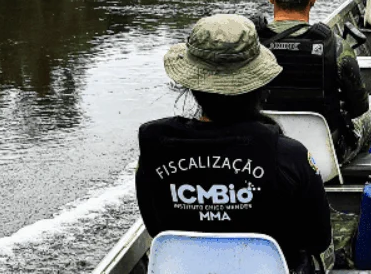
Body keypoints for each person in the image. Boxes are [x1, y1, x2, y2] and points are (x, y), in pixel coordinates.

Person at [136, 14, 332, 272]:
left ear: (194, 87)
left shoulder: (154, 148)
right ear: (259, 85)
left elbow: (155, 226)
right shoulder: (289, 155)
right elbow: (318, 239)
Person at [257, 0, 371, 164]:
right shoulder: (337, 46)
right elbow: (360, 107)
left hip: (261, 152)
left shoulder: (249, 44)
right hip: (323, 159)